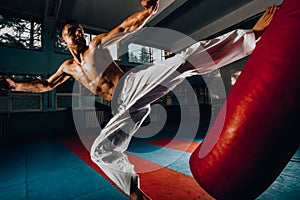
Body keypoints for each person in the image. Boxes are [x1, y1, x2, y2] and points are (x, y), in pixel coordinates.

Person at [0, 1, 278, 199]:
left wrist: (146, 13)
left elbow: (123, 28)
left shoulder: (97, 45)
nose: (77, 33)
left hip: (132, 84)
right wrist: (14, 85)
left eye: (79, 29)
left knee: (183, 60)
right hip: (123, 108)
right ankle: (134, 191)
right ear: (64, 41)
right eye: (71, 31)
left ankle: (252, 36)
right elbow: (44, 85)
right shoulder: (67, 68)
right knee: (99, 150)